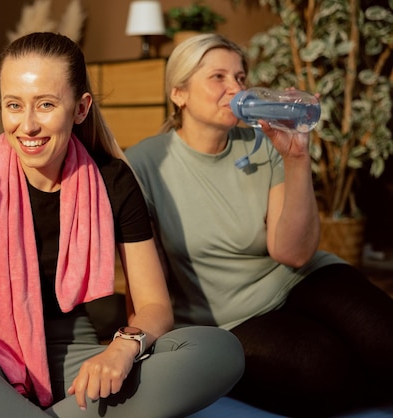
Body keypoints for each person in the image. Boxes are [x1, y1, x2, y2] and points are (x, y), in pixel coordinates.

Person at [0, 32, 244, 418]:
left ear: (80, 108)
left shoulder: (112, 179)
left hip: (79, 363)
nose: (28, 125)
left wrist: (120, 350)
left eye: (46, 104)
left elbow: (154, 306)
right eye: (14, 105)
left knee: (218, 350)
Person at [125, 33, 393, 417]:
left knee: (385, 341)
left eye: (240, 77)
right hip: (233, 316)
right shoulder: (146, 164)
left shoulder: (263, 142)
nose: (235, 88)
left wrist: (296, 158)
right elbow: (143, 279)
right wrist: (146, 347)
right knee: (325, 374)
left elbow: (293, 253)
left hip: (300, 278)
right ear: (178, 93)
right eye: (218, 77)